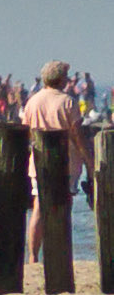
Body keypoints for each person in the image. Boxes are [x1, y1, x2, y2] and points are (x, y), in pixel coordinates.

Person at [22, 60, 94, 263]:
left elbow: (26, 132)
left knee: (39, 206)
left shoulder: (32, 102)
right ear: (61, 78)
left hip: (38, 160)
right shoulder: (67, 102)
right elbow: (78, 136)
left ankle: (33, 256)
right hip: (66, 162)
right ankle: (58, 253)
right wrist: (90, 161)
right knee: (64, 204)